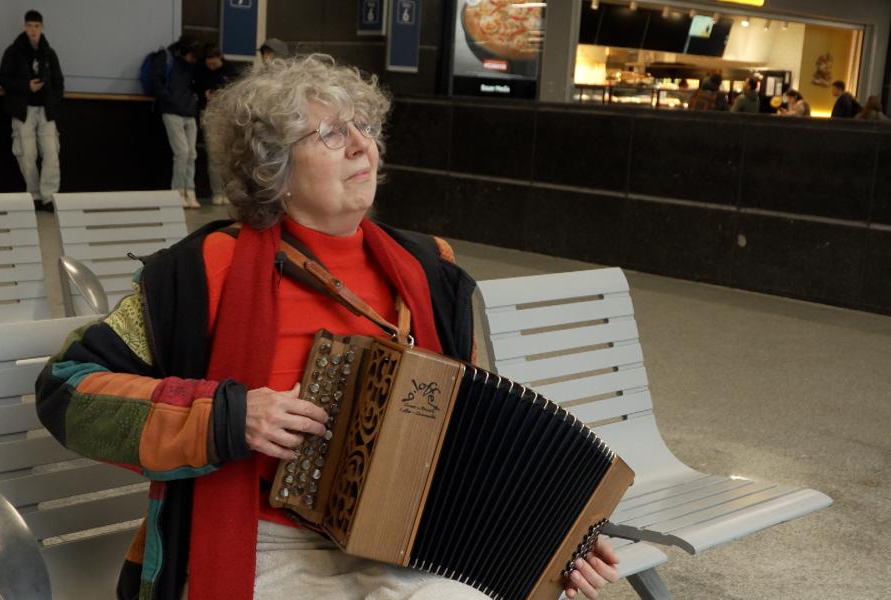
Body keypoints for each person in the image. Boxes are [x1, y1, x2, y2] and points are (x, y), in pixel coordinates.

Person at [35, 54, 620, 600]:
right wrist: (228, 416)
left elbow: (471, 442)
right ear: (274, 167)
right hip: (261, 540)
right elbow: (68, 391)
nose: (363, 146)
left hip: (409, 542)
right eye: (333, 133)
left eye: (365, 128)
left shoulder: (429, 272)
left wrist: (553, 542)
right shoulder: (199, 273)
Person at [0, 9, 64, 212]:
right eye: (29, 26)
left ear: (41, 28)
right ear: (24, 27)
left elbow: (59, 82)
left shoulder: (49, 53)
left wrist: (52, 99)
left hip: (46, 110)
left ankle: (49, 197)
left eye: (37, 26)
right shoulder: (13, 51)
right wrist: (26, 86)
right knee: (27, 153)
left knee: (51, 152)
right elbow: (3, 78)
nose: (33, 30)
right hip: (23, 109)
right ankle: (34, 194)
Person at [154, 34, 202, 209]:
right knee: (182, 152)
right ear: (183, 51)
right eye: (191, 55)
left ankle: (190, 190)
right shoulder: (165, 57)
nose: (192, 59)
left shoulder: (192, 64)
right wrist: (169, 99)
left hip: (189, 111)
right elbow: (156, 82)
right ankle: (177, 192)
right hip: (172, 111)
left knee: (192, 154)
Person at [193, 44, 238, 205]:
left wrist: (222, 94)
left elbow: (238, 91)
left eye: (214, 64)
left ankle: (229, 192)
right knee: (214, 156)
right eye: (209, 64)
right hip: (210, 114)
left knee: (229, 156)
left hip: (228, 115)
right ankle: (217, 191)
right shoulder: (200, 70)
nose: (211, 67)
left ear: (221, 58)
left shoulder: (231, 70)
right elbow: (194, 88)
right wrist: (204, 94)